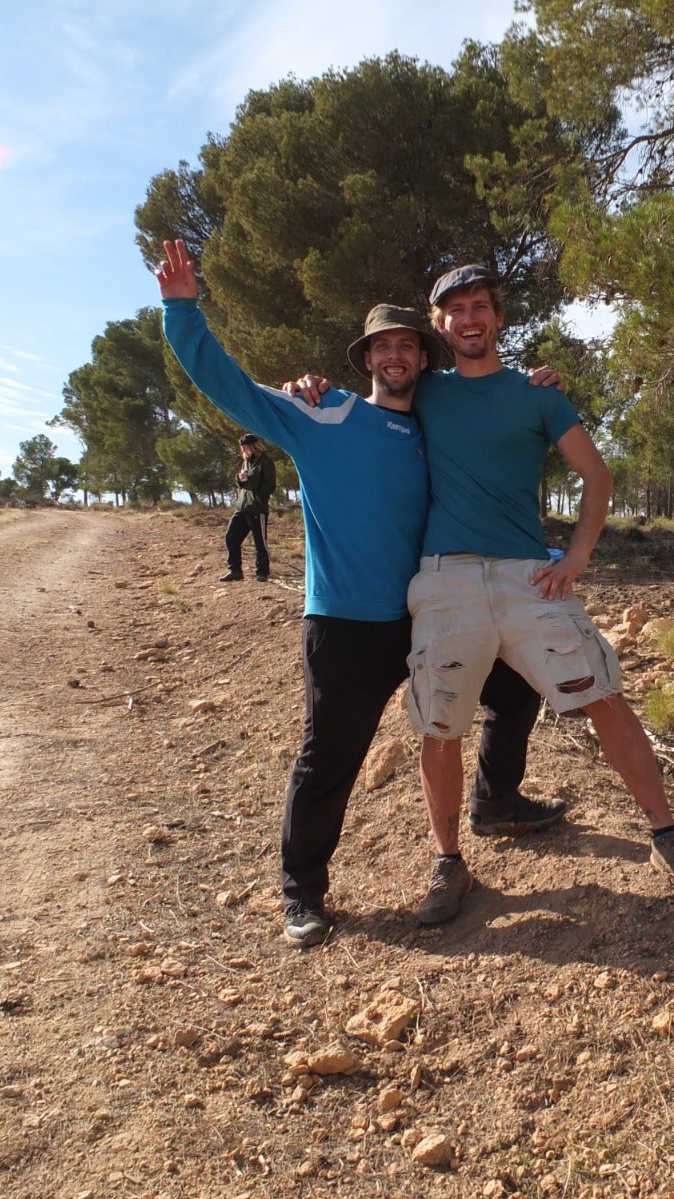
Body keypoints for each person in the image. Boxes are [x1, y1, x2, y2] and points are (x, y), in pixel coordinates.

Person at [152, 240, 553, 948]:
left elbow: (497, 412)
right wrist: (183, 311)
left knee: (516, 690)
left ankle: (496, 802)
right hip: (347, 625)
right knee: (329, 758)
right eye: (382, 348)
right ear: (365, 360)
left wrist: (537, 385)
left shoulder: (437, 422)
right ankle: (302, 893)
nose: (395, 356)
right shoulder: (321, 415)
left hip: (433, 608)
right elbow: (230, 387)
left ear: (423, 359)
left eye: (407, 346)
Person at [404, 264, 674, 923]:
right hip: (448, 577)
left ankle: (667, 835)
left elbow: (597, 477)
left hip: (527, 575)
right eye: (456, 309)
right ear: (440, 323)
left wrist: (576, 557)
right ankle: (448, 863)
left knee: (603, 696)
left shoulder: (538, 395)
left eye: (480, 307)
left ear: (497, 318)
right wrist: (307, 387)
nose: (469, 319)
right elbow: (364, 407)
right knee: (440, 723)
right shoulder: (425, 393)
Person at [221, 433, 275, 582]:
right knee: (231, 537)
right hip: (242, 508)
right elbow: (243, 483)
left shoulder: (266, 462)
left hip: (257, 509)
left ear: (253, 446)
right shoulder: (246, 462)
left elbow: (270, 485)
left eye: (245, 447)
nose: (243, 450)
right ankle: (235, 571)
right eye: (242, 448)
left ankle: (262, 572)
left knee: (260, 542)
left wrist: (257, 497)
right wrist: (239, 478)